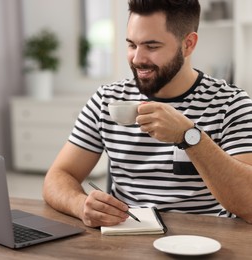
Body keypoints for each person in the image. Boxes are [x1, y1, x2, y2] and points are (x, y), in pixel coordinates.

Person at [42, 0, 252, 227]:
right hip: (127, 240)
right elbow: (57, 177)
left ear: (188, 44)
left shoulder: (231, 104)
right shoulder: (107, 100)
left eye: (152, 47)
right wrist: (80, 205)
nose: (137, 58)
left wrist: (189, 136)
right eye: (132, 45)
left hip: (206, 242)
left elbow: (249, 204)